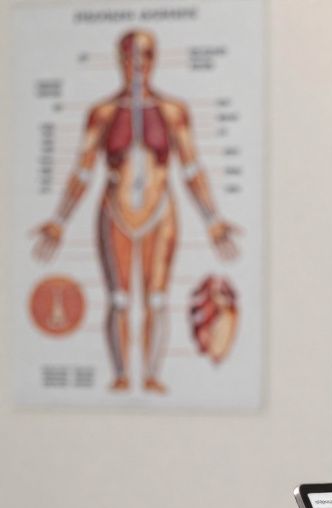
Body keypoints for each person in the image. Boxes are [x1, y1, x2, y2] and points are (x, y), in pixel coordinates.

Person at [32, 28, 239, 394]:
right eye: (130, 56)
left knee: (157, 299)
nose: (138, 65)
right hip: (115, 210)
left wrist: (213, 219)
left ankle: (154, 374)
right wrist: (59, 221)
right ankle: (122, 374)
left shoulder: (174, 112)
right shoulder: (103, 112)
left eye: (145, 56)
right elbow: (82, 169)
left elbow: (192, 168)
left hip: (160, 211)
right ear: (120, 61)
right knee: (119, 299)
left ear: (154, 61)